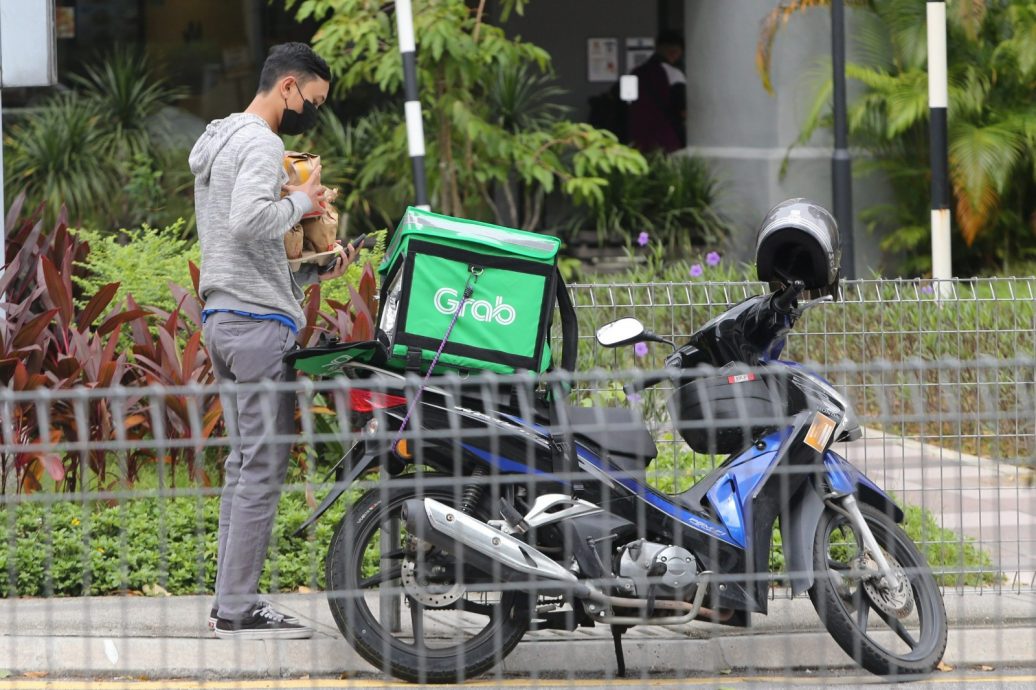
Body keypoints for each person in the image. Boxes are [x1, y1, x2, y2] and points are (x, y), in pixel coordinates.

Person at [189, 42, 356, 640]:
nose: (306, 113)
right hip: (258, 327)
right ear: (288, 85)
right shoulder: (261, 142)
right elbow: (249, 220)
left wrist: (316, 267)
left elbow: (245, 243)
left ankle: (229, 602)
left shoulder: (221, 140)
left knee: (244, 464)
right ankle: (236, 609)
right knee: (262, 467)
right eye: (308, 102)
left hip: (225, 318)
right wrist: (303, 201)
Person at [627, 30, 687, 153]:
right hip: (667, 140)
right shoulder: (674, 74)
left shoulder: (634, 73)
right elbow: (682, 109)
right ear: (676, 52)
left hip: (637, 140)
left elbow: (626, 104)